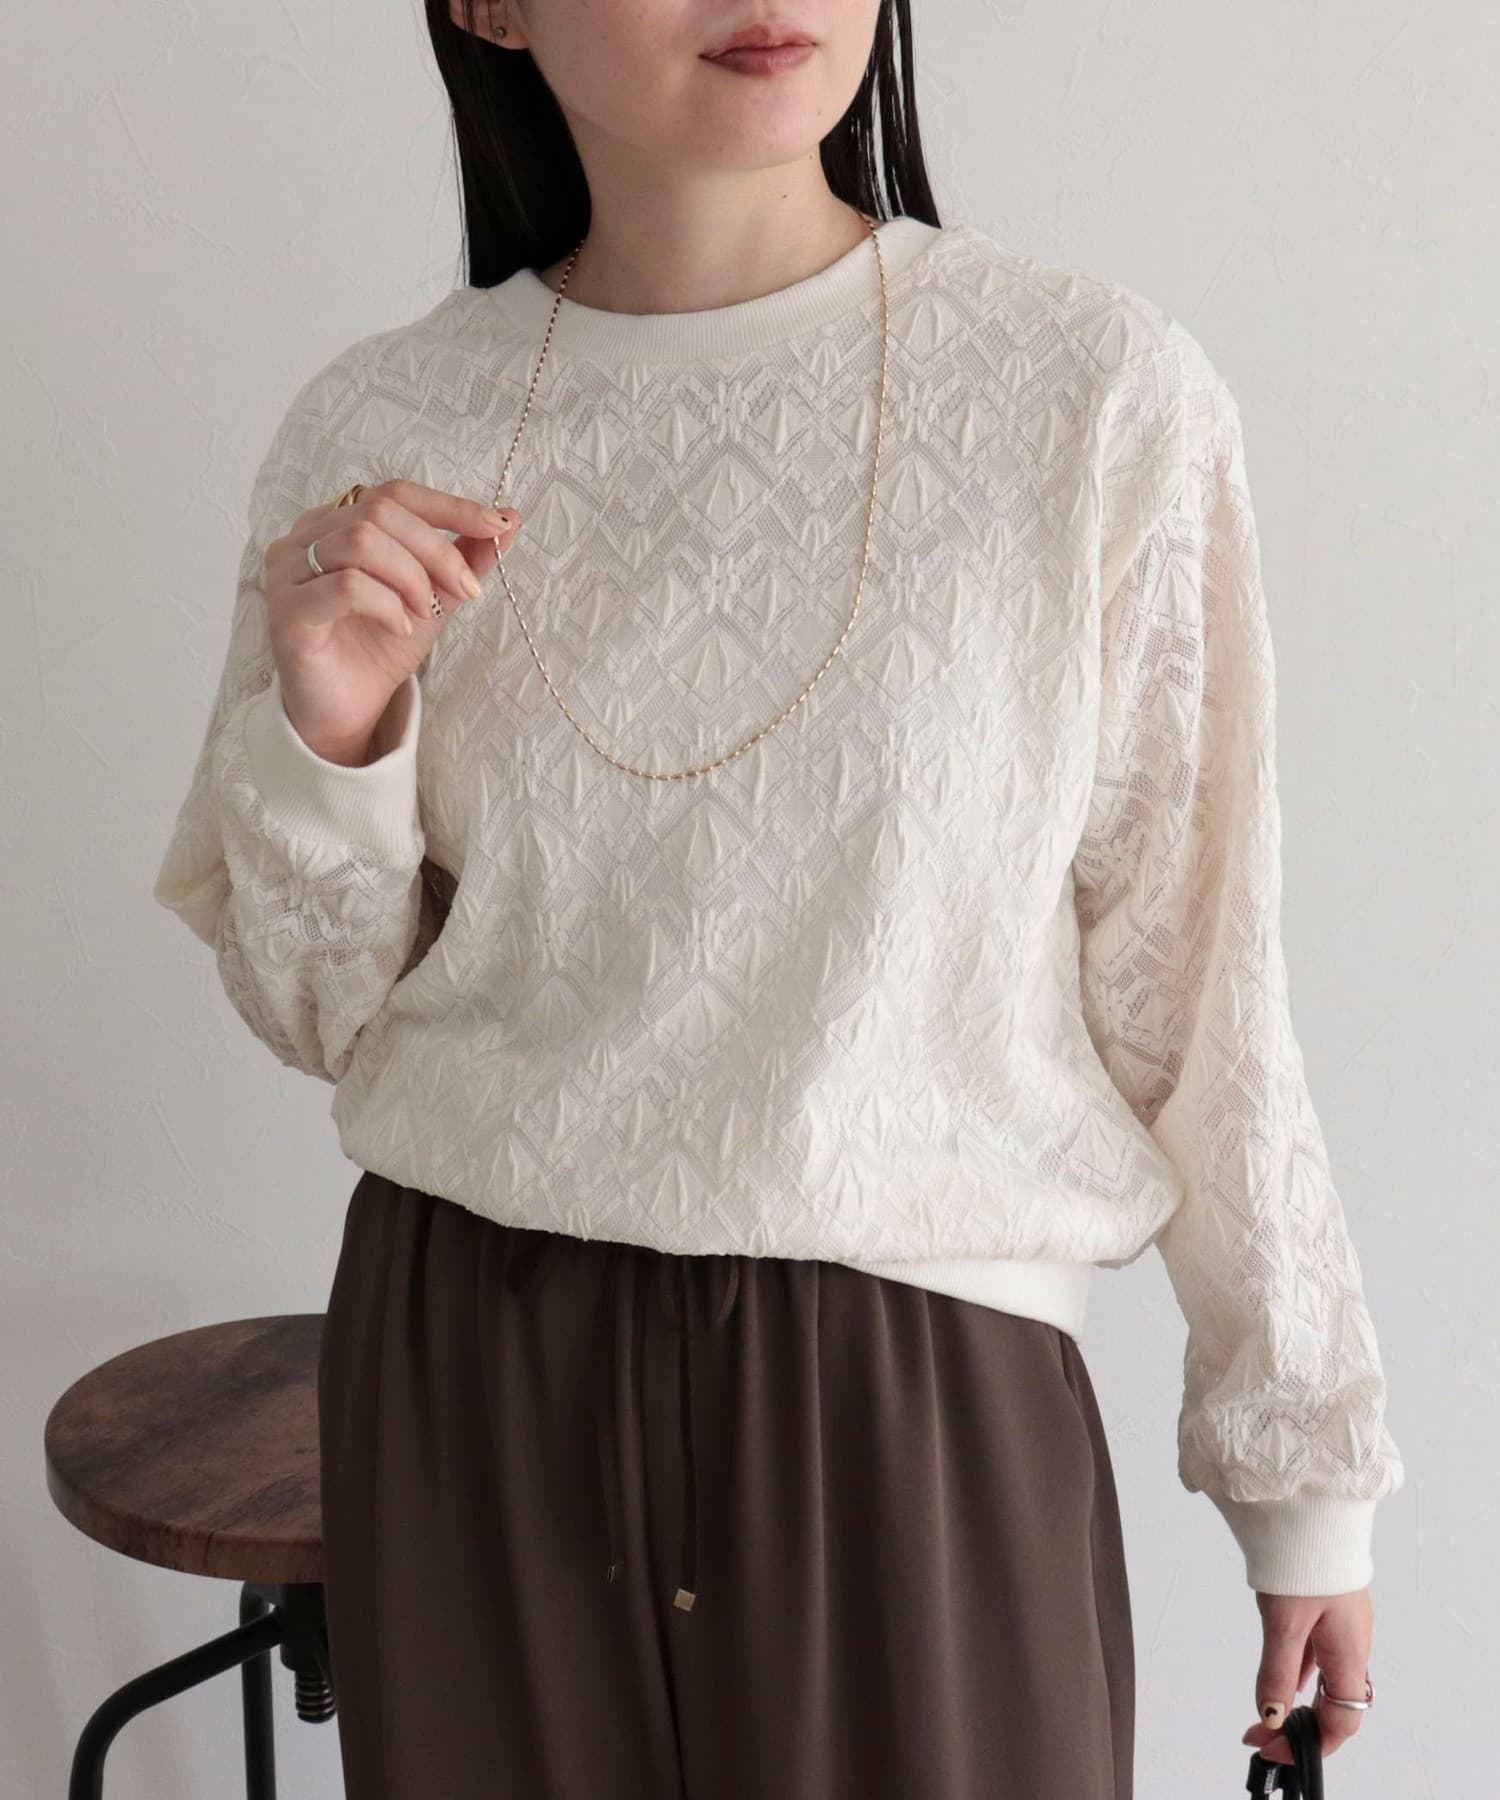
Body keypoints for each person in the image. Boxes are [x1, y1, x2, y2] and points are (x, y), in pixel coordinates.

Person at [150, 1, 1403, 1794]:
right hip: (471, 1366)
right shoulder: (377, 425)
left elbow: (1198, 979)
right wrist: (335, 734)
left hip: (912, 1394)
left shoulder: (1089, 392)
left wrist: (1305, 1479)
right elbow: (318, 1011)